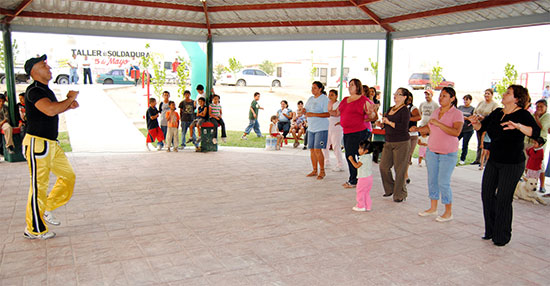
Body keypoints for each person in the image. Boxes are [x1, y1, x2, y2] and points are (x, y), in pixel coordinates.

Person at [468, 84, 540, 246]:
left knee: (503, 199)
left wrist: (519, 126)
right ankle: (491, 231)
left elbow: (535, 132)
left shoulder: (522, 115)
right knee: (487, 194)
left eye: (508, 93)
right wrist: (475, 124)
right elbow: (482, 127)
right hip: (494, 160)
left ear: (517, 99)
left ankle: (502, 236)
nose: (504, 94)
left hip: (512, 164)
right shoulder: (497, 112)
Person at [22, 54, 79, 239]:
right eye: (43, 65)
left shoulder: (46, 90)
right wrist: (69, 98)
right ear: (34, 71)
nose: (49, 67)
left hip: (51, 144)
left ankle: (47, 207)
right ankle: (34, 229)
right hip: (37, 144)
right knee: (39, 186)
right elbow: (50, 109)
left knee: (68, 176)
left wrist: (68, 105)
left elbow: (53, 109)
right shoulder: (34, 91)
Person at [412, 87, 463, 222]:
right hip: (432, 151)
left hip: (448, 154)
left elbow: (456, 132)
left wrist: (439, 124)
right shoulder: (436, 112)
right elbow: (429, 128)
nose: (441, 98)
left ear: (452, 98)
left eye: (445, 96)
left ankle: (448, 211)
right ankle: (433, 208)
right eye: (440, 96)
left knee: (443, 182)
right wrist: (418, 129)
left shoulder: (457, 114)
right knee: (432, 180)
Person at [338, 78, 377, 188]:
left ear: (358, 87)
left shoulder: (364, 100)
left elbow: (373, 115)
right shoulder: (345, 99)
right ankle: (354, 178)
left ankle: (359, 179)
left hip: (359, 131)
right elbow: (338, 112)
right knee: (349, 154)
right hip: (347, 132)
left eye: (352, 85)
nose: (350, 87)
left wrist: (370, 114)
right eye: (349, 85)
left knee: (359, 155)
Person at [377, 88, 411, 202]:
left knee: (399, 169)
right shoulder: (391, 108)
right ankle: (390, 188)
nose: (395, 96)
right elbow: (387, 124)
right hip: (389, 141)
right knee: (383, 166)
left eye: (398, 94)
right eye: (395, 93)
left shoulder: (405, 110)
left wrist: (389, 122)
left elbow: (403, 128)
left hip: (401, 142)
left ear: (405, 97)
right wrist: (382, 124)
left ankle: (400, 193)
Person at [305, 81, 330, 180]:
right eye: (312, 87)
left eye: (315, 88)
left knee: (317, 149)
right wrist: (303, 111)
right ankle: (314, 170)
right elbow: (306, 110)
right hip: (311, 127)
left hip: (321, 128)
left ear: (320, 89)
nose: (312, 89)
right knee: (311, 149)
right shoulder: (310, 99)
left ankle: (322, 171)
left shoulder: (324, 99)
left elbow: (327, 114)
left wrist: (313, 114)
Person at [471, 89, 499, 165]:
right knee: (480, 143)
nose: (486, 95)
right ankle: (478, 159)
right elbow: (475, 111)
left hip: (488, 127)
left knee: (486, 144)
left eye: (488, 94)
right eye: (485, 93)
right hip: (478, 125)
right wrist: (477, 116)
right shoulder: (481, 103)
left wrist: (484, 118)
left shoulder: (495, 105)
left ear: (492, 95)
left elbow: (494, 116)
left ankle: (486, 161)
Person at [347, 140, 373, 212]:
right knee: (366, 192)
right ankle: (368, 206)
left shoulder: (363, 158)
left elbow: (356, 166)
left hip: (363, 178)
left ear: (366, 151)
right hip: (369, 178)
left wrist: (351, 160)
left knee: (360, 192)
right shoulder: (369, 157)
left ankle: (361, 206)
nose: (359, 150)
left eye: (361, 148)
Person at [530, 99, 550, 193]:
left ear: (546, 107)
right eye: (537, 106)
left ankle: (542, 185)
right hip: (532, 141)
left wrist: (537, 117)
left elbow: (542, 127)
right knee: (530, 162)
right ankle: (530, 184)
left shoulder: (547, 116)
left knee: (540, 164)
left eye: (541, 106)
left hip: (541, 143)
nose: (539, 109)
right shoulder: (533, 115)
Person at [325, 89, 344, 172]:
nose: (330, 96)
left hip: (336, 126)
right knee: (325, 144)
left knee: (336, 145)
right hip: (327, 126)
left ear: (336, 96)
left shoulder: (339, 104)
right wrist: (330, 112)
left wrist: (328, 112)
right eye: (329, 95)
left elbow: (337, 113)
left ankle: (340, 164)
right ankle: (326, 161)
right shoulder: (327, 103)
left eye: (332, 95)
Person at [405, 92, 421, 184]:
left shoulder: (413, 108)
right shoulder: (400, 107)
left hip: (412, 135)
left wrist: (407, 118)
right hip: (403, 134)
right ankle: (403, 173)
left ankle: (405, 174)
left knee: (408, 155)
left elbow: (418, 117)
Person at [457, 94, 475, 164]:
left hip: (468, 130)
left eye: (467, 100)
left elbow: (472, 118)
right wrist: (465, 117)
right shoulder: (460, 107)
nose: (465, 101)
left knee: (465, 144)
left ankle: (462, 159)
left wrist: (466, 118)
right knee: (455, 142)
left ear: (470, 100)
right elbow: (456, 116)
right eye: (464, 100)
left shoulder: (472, 109)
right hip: (460, 128)